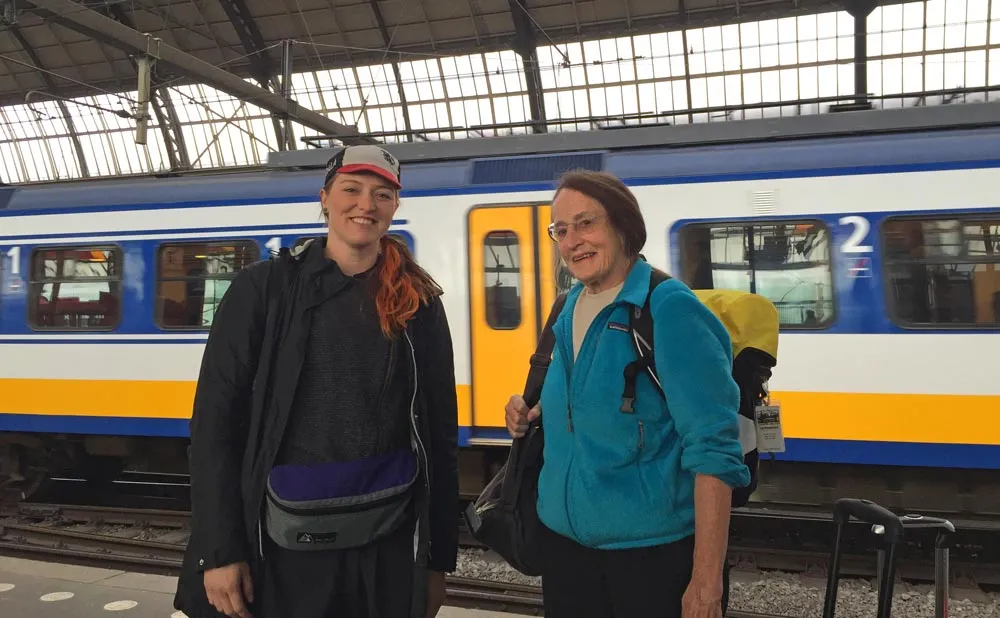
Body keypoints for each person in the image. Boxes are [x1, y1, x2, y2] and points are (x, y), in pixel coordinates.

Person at [173, 145, 460, 618]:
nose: (366, 205)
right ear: (324, 198)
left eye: (382, 195)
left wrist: (436, 562)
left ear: (394, 207)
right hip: (284, 545)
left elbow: (439, 434)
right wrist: (219, 550)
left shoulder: (418, 302)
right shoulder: (263, 291)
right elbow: (215, 426)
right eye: (352, 190)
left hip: (388, 542)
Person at [504, 170, 749, 618]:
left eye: (586, 223)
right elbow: (583, 399)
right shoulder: (569, 305)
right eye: (561, 229)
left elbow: (714, 447)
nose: (572, 240)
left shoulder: (669, 309)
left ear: (622, 225)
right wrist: (531, 411)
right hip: (566, 554)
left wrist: (706, 582)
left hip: (649, 560)